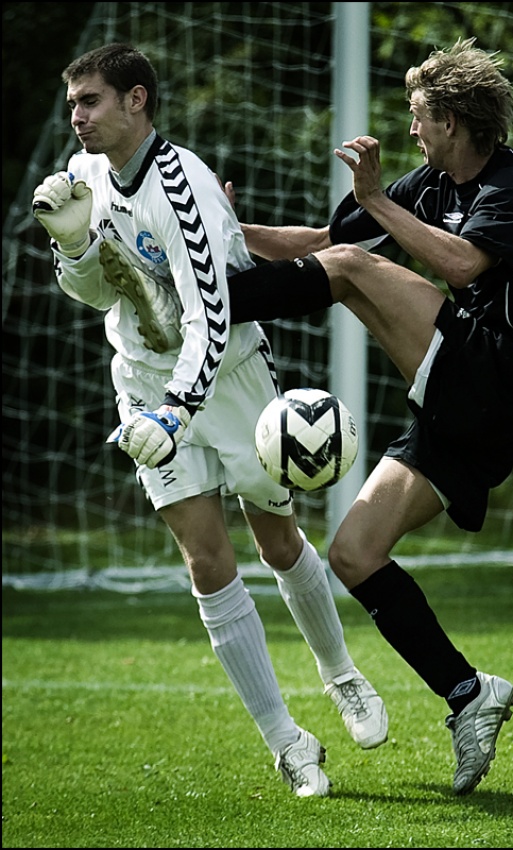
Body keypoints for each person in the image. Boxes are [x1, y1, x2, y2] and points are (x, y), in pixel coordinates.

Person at [219, 37, 513, 795]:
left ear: (451, 120)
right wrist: (227, 232)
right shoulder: (430, 182)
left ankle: (207, 312)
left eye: (419, 115)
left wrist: (378, 199)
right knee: (354, 552)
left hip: (500, 379)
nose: (411, 128)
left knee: (355, 273)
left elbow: (461, 264)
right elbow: (325, 247)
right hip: (457, 408)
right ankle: (468, 693)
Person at [31, 42, 389, 799]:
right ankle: (287, 742)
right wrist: (74, 247)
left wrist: (178, 409)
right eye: (72, 105)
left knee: (277, 539)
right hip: (141, 379)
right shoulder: (85, 173)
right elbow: (99, 296)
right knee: (205, 561)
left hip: (226, 379)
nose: (77, 117)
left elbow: (210, 318)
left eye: (90, 101)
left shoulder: (181, 185)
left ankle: (341, 675)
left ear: (136, 100)